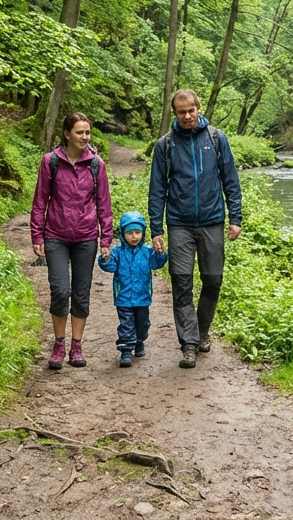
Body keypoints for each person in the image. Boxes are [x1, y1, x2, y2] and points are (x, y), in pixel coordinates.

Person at [147, 89, 242, 370]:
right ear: (174, 113)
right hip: (179, 224)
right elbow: (157, 190)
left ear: (198, 107)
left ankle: (201, 332)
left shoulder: (216, 138)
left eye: (191, 110)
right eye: (181, 112)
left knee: (212, 281)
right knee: (182, 283)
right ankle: (188, 343)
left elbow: (231, 180)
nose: (187, 116)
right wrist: (156, 228)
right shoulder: (165, 145)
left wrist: (234, 217)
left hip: (213, 221)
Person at [30, 112, 113, 370]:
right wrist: (37, 234)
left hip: (86, 237)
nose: (85, 137)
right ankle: (59, 343)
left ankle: (76, 346)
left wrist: (106, 238)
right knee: (60, 290)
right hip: (55, 235)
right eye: (80, 133)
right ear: (67, 134)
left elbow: (104, 204)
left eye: (87, 133)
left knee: (80, 293)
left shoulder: (96, 164)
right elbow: (40, 201)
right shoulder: (50, 162)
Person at [97, 211, 169, 367]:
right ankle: (126, 350)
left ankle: (139, 341)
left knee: (143, 324)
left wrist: (161, 253)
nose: (134, 236)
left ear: (143, 233)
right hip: (123, 298)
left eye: (137, 232)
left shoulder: (147, 252)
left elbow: (157, 263)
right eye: (130, 233)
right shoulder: (117, 253)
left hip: (142, 298)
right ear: (123, 234)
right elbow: (109, 267)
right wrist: (105, 258)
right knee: (126, 325)